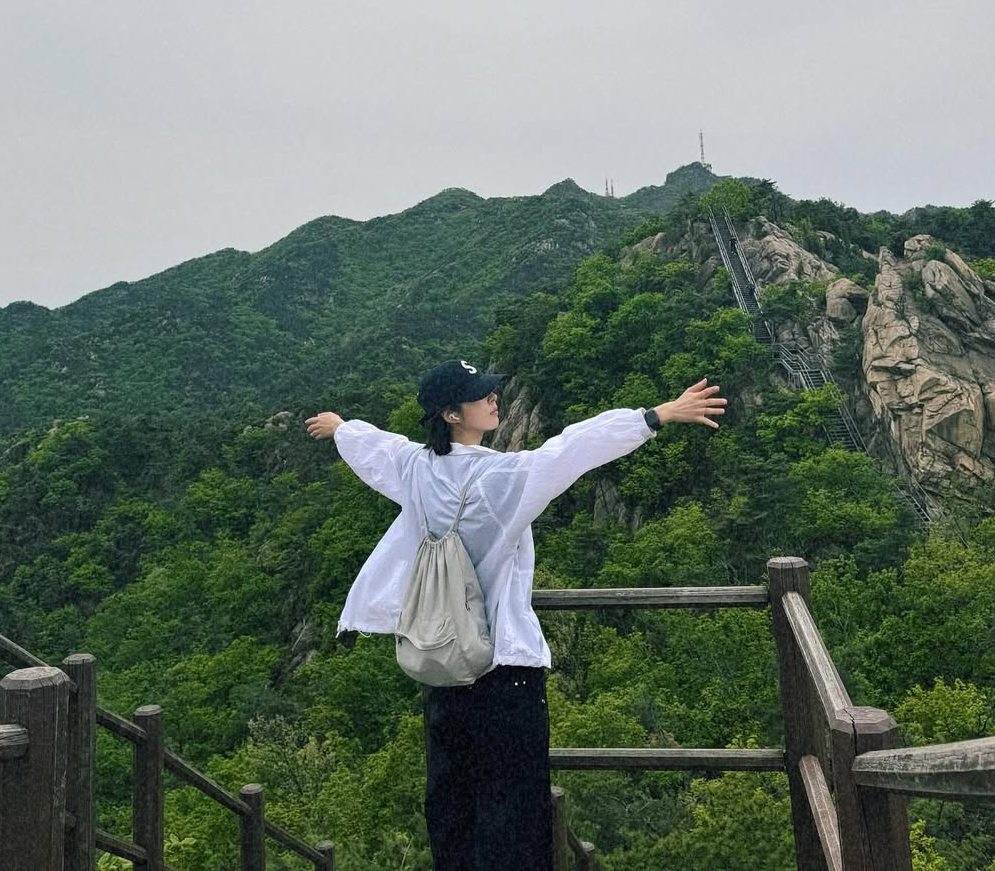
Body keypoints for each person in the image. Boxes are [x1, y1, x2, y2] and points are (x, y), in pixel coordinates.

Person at [306, 359, 726, 871]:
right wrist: (655, 416)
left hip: (443, 668)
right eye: (480, 395)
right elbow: (571, 449)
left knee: (453, 808)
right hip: (505, 674)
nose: (493, 399)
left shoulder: (415, 469)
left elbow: (377, 447)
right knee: (515, 817)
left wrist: (340, 427)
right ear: (451, 414)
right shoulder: (501, 478)